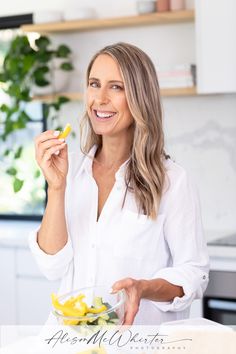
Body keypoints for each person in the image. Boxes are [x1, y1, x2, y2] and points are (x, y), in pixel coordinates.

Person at [29, 42, 209, 325]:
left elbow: (194, 273)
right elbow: (52, 267)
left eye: (116, 87)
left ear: (139, 97)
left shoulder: (172, 180)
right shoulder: (70, 169)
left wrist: (143, 287)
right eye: (94, 84)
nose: (99, 98)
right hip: (72, 339)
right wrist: (57, 188)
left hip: (135, 340)